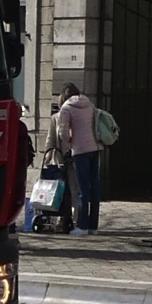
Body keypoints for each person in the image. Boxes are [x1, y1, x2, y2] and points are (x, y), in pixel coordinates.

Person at [57, 82, 101, 234]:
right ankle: (93, 226)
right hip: (94, 147)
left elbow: (62, 133)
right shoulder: (89, 105)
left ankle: (82, 226)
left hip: (80, 150)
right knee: (94, 188)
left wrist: (70, 141)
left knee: (82, 189)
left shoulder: (66, 108)